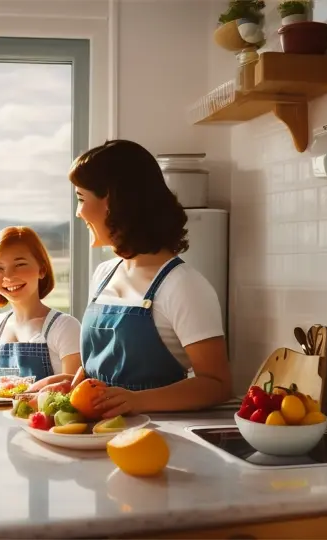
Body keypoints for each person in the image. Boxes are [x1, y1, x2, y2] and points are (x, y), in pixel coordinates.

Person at [63, 139, 232, 416]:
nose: (79, 211)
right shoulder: (104, 274)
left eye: (82, 198)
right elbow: (104, 363)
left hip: (158, 438)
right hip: (99, 434)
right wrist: (76, 384)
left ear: (111, 202)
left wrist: (136, 401)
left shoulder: (184, 285)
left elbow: (217, 384)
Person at [0, 226, 82, 391]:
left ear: (42, 269)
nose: (8, 276)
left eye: (20, 264)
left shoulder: (66, 327)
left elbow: (74, 390)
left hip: (43, 418)